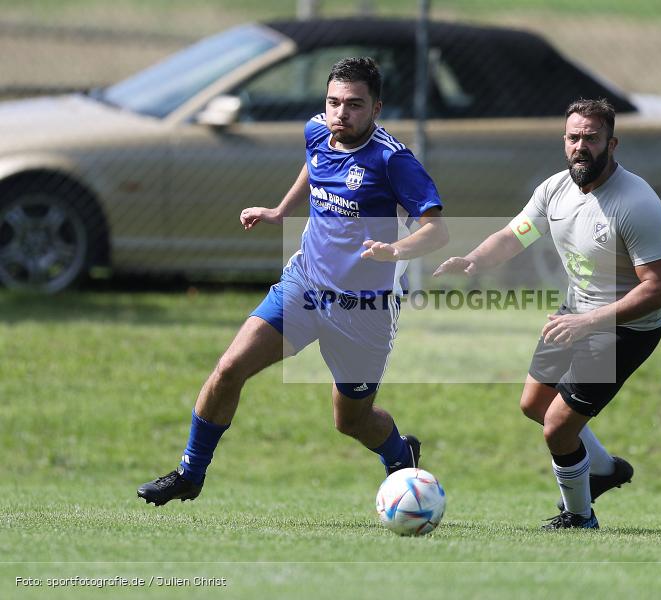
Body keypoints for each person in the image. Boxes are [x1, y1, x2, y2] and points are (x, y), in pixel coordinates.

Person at [138, 57, 448, 506]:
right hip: (303, 286)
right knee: (228, 370)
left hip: (362, 310)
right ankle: (190, 473)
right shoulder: (318, 130)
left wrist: (394, 251)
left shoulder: (392, 160)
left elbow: (438, 230)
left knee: (352, 422)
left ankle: (401, 454)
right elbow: (313, 163)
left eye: (355, 105)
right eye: (333, 102)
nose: (341, 114)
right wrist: (281, 211)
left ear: (377, 108)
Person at [434, 98, 661, 529]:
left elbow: (659, 289)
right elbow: (514, 235)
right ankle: (602, 470)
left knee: (558, 428)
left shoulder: (636, 203)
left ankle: (579, 517)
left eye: (592, 138)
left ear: (612, 143)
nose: (581, 146)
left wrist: (589, 322)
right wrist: (473, 260)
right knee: (535, 404)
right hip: (576, 312)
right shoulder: (554, 189)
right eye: (573, 137)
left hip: (624, 327)